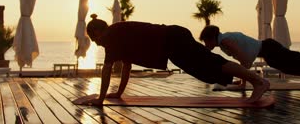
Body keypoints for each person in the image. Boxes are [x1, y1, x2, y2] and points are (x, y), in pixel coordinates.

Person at [79, 14, 270, 106]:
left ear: (97, 31)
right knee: (206, 70)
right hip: (173, 40)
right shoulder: (117, 35)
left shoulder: (111, 36)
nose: (96, 44)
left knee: (211, 63)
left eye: (94, 40)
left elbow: (106, 70)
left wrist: (101, 99)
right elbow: (127, 65)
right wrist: (118, 93)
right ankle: (258, 81)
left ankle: (259, 82)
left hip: (172, 40)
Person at [199, 25, 300, 87]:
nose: (206, 45)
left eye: (205, 41)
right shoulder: (225, 39)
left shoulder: (225, 41)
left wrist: (244, 80)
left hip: (270, 50)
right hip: (269, 52)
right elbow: (244, 61)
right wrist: (243, 81)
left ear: (211, 38)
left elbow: (244, 61)